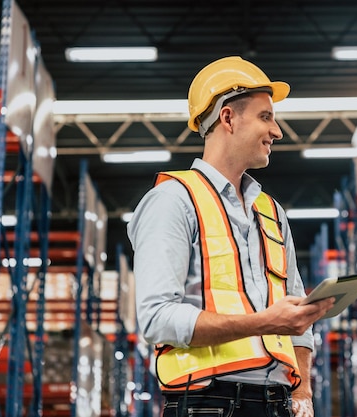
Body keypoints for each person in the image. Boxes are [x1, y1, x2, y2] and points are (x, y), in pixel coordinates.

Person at [127, 56, 334, 417]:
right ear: (228, 118)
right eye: (265, 117)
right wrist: (265, 322)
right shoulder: (173, 201)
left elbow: (296, 313)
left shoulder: (271, 212)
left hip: (278, 403)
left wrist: (302, 391)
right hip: (207, 403)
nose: (277, 131)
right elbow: (156, 317)